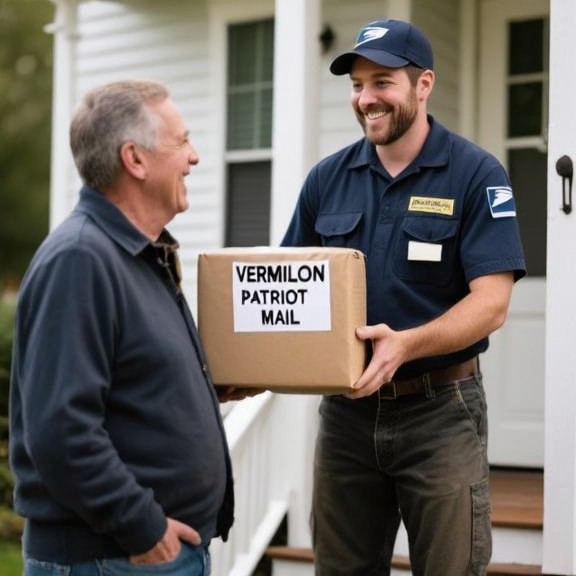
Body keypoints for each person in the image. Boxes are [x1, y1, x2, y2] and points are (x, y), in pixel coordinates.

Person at [282, 18, 526, 576]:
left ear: (423, 85)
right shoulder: (327, 179)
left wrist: (407, 345)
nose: (366, 98)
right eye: (356, 84)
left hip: (441, 412)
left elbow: (492, 302)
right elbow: (288, 284)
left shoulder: (475, 174)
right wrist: (250, 365)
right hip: (346, 416)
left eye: (382, 82)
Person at [9, 80, 234, 575]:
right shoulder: (80, 260)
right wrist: (143, 527)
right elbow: (61, 431)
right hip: (114, 556)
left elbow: (127, 383)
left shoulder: (138, 254)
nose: (193, 157)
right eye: (182, 141)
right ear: (134, 159)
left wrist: (202, 387)